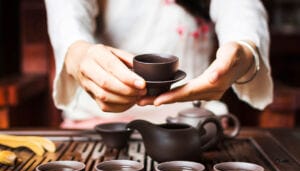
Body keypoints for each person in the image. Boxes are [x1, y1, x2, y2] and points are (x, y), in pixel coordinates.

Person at [44, 0, 273, 128]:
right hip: (100, 124)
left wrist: (244, 50)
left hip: (197, 126)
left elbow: (242, 10)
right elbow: (68, 17)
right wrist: (77, 53)